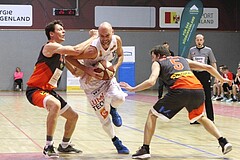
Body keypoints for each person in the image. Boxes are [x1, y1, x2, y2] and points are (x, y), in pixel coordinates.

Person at [120, 45, 232, 159]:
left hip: (180, 90)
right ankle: (223, 141)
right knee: (201, 117)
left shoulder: (158, 63)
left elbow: (151, 82)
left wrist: (133, 89)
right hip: (197, 90)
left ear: (159, 56)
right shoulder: (183, 59)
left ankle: (145, 148)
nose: (152, 60)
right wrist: (222, 79)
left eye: (153, 57)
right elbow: (208, 67)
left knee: (152, 114)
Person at [26, 20, 98, 158]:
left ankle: (64, 145)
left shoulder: (61, 55)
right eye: (60, 29)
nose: (63, 31)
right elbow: (76, 50)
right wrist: (93, 38)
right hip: (35, 89)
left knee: (73, 116)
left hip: (49, 91)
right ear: (51, 34)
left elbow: (76, 72)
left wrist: (92, 71)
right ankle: (48, 146)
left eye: (63, 29)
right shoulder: (49, 47)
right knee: (55, 105)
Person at [65, 22, 129, 154]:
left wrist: (115, 67)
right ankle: (116, 141)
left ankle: (113, 108)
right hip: (91, 84)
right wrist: (86, 69)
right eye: (101, 35)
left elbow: (121, 55)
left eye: (107, 35)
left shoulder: (117, 40)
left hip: (106, 77)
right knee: (104, 119)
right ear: (98, 35)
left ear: (113, 32)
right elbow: (69, 57)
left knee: (120, 97)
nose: (105, 38)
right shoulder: (92, 50)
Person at [188, 34, 217, 124]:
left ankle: (210, 119)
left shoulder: (208, 50)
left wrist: (215, 76)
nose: (199, 41)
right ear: (195, 40)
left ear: (203, 40)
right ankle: (195, 118)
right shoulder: (192, 50)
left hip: (205, 75)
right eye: (197, 40)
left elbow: (213, 63)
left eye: (201, 40)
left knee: (207, 97)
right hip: (195, 75)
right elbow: (188, 63)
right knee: (195, 97)